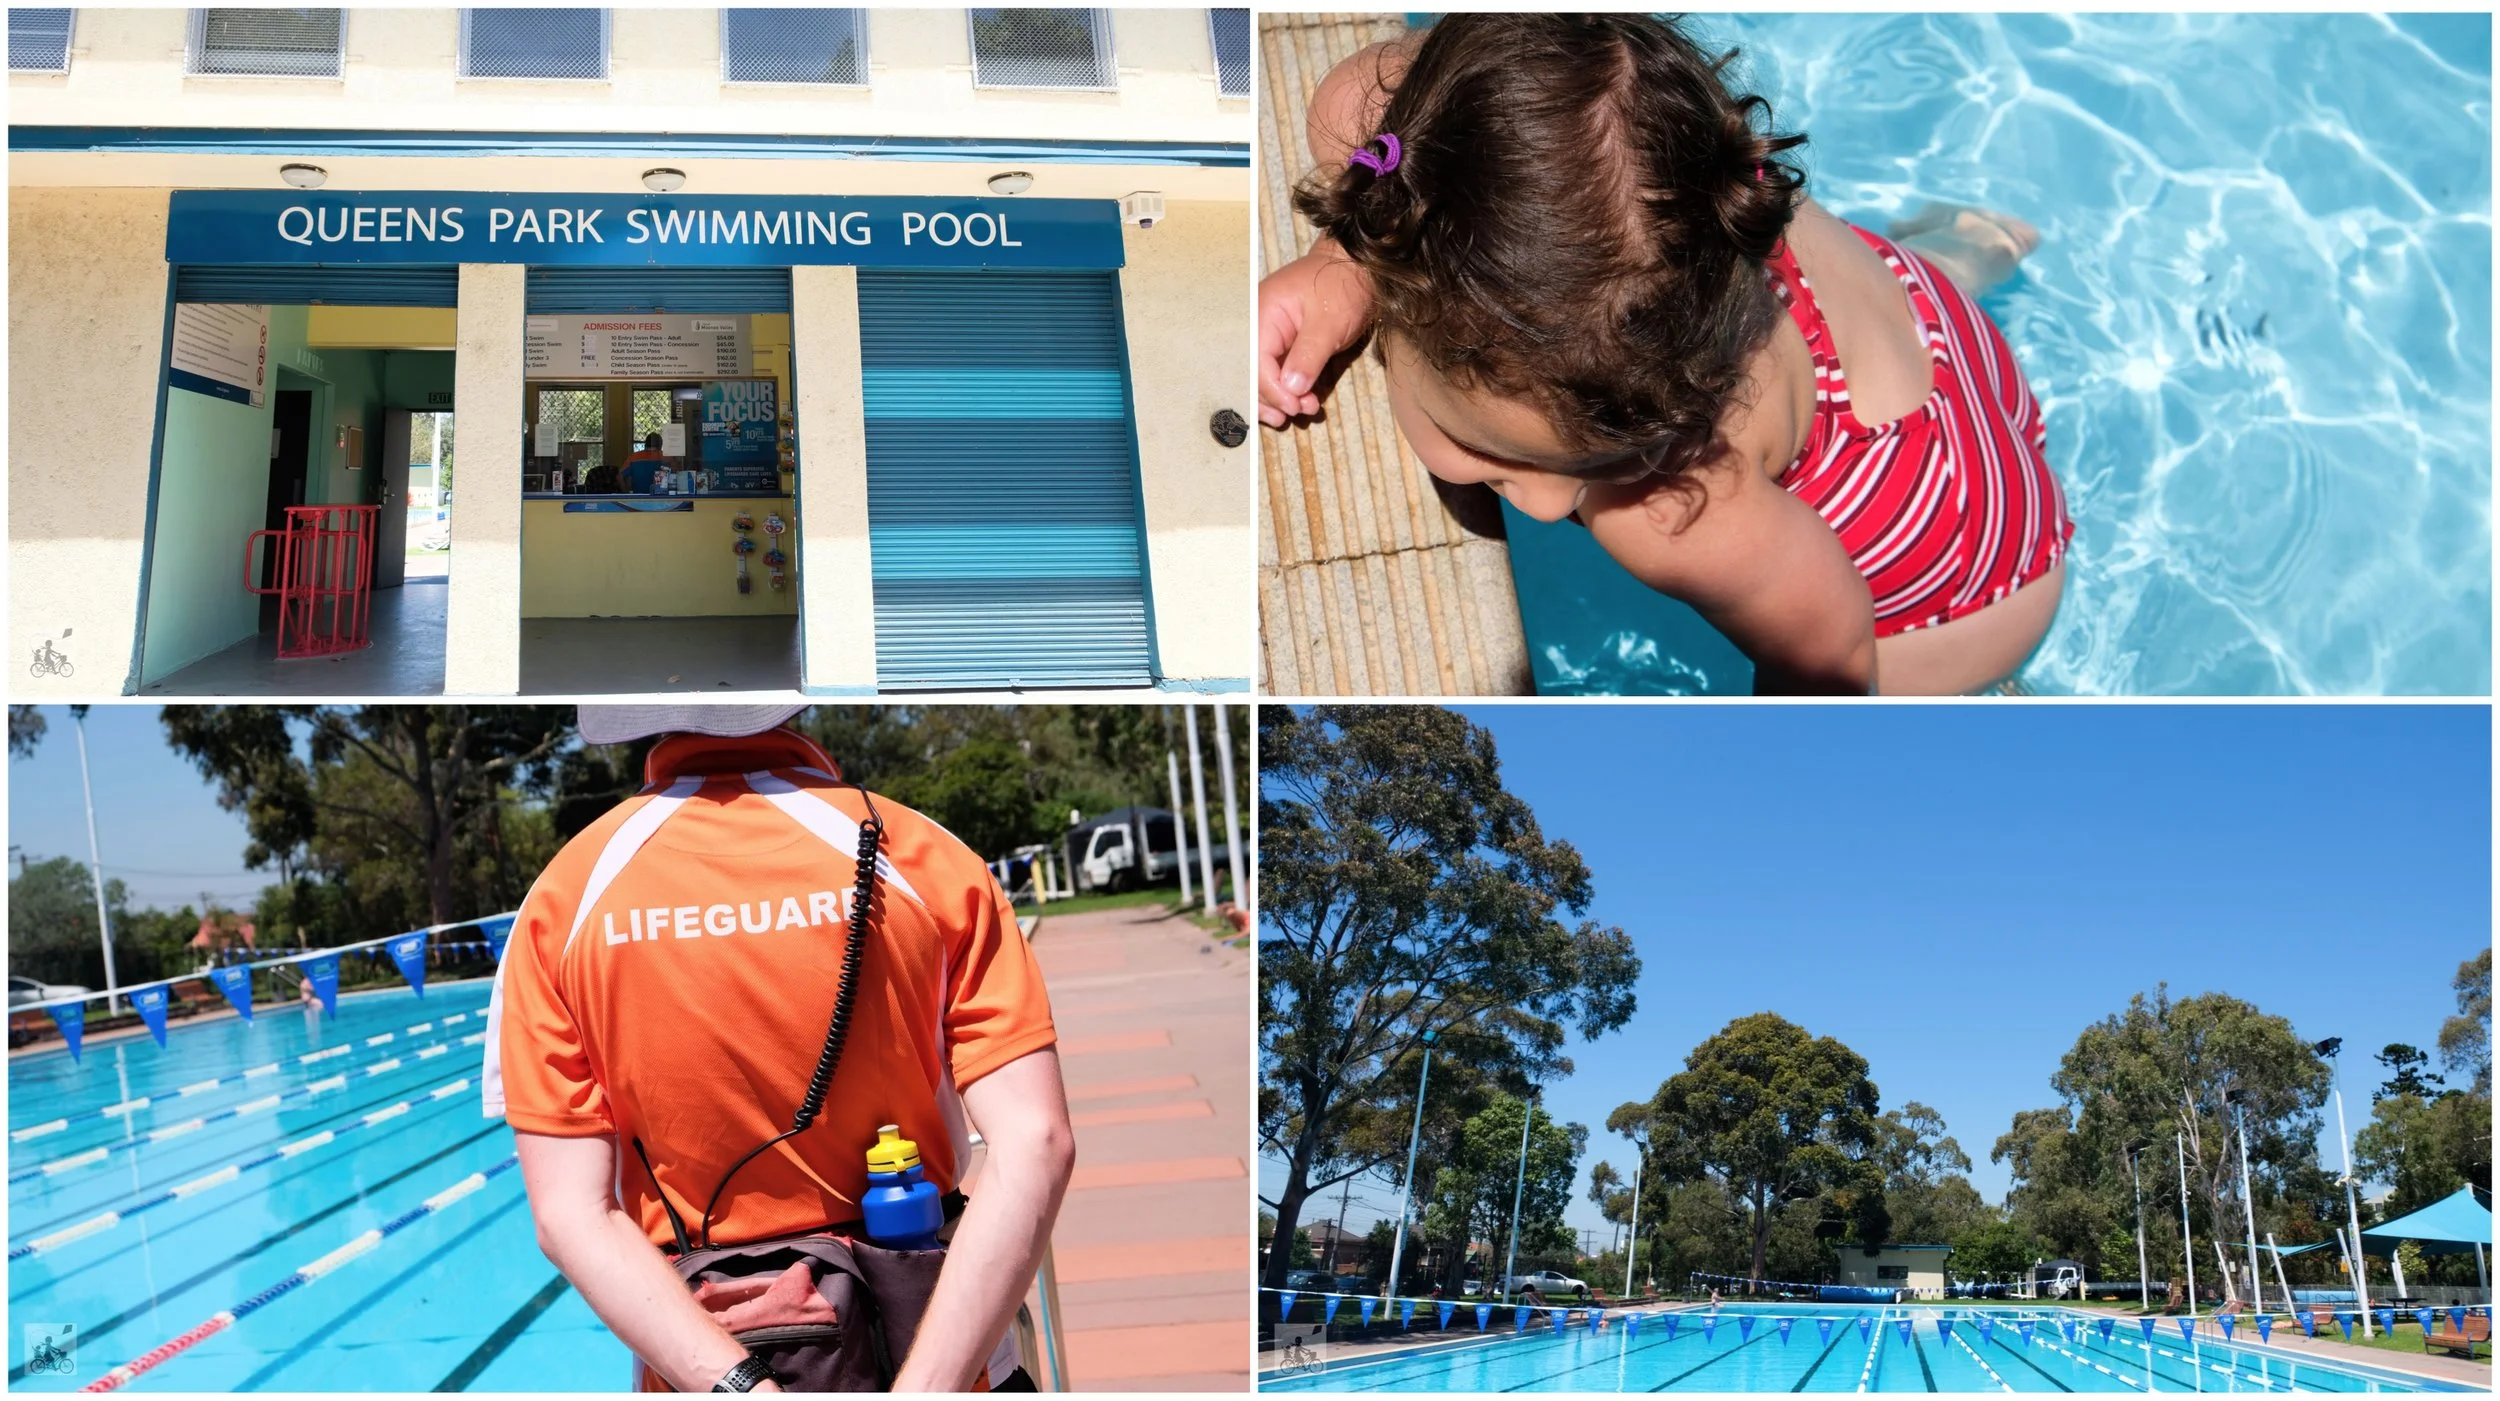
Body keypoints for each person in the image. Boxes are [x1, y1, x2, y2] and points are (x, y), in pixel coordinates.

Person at [1256, 14, 2072, 695]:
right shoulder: (1687, 201)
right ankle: (1978, 246)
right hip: (1921, 321)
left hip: (1975, 578)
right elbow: (1395, 100)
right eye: (1496, 451)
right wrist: (1345, 262)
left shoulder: (1670, 511)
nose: (1542, 508)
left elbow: (1835, 649)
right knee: (1899, 281)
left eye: (1596, 462)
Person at [487, 705, 1073, 1392]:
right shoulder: (922, 850)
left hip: (716, 1361)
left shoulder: (564, 894)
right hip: (938, 1341)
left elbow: (572, 1214)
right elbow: (1038, 1140)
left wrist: (744, 1386)